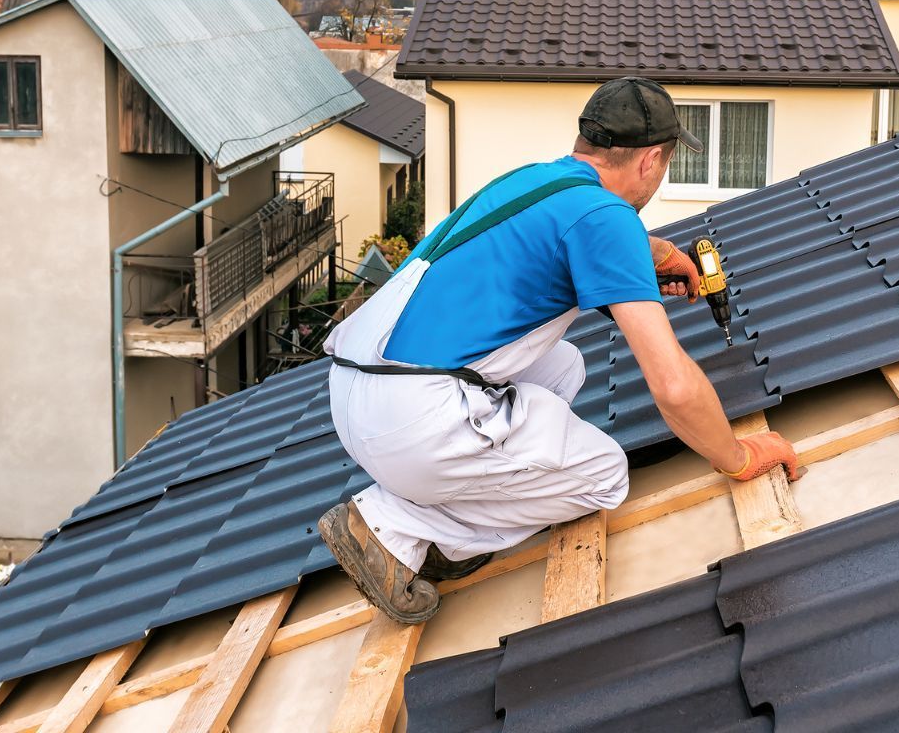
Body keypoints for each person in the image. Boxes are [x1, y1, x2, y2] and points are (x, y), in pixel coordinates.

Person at [317, 77, 804, 625]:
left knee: (565, 364)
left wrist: (659, 252)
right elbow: (672, 386)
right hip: (411, 420)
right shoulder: (607, 218)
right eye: (666, 164)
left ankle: (443, 504)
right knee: (604, 475)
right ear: (649, 162)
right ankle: (393, 526)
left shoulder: (537, 181)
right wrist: (739, 457)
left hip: (356, 388)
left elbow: (576, 236)